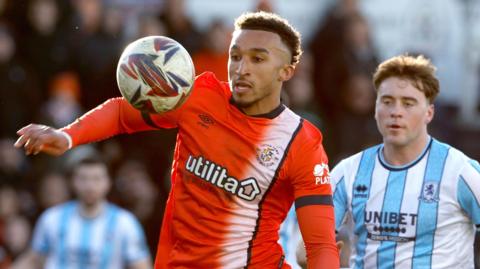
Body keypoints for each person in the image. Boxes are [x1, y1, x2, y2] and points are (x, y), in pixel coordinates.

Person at [14, 11, 339, 268]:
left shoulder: (301, 142)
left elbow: (321, 245)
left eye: (257, 59)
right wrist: (67, 136)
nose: (240, 68)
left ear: (287, 71)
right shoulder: (198, 96)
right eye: (235, 56)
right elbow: (120, 113)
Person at [331, 55, 480, 268]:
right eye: (387, 101)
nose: (396, 112)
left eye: (408, 103)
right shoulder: (348, 171)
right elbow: (308, 246)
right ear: (375, 109)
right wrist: (314, 253)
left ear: (429, 113)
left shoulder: (460, 171)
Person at [12, 156, 152, 269]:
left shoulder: (125, 222)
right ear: (73, 182)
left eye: (96, 179)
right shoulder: (52, 218)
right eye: (83, 179)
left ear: (108, 182)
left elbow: (140, 264)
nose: (89, 186)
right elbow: (34, 260)